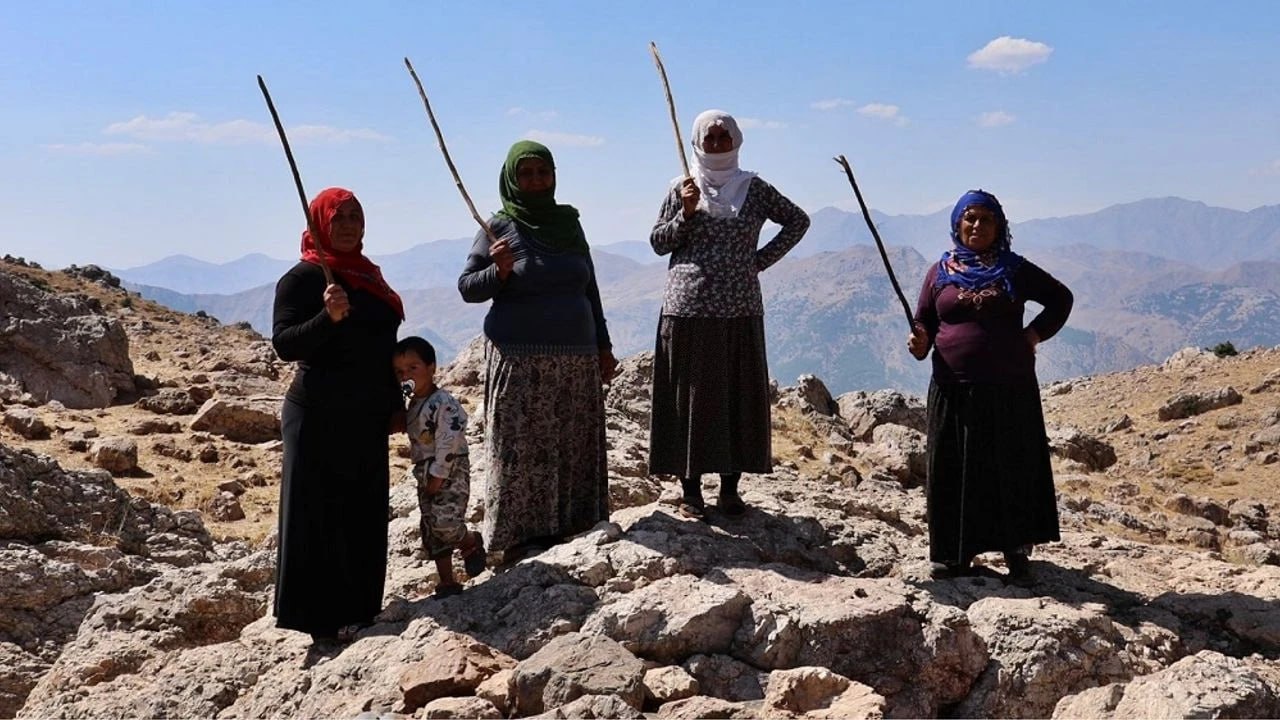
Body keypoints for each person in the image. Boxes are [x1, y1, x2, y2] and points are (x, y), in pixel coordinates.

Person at [458, 140, 616, 564]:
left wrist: (603, 346)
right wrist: (499, 271)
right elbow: (468, 288)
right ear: (511, 179)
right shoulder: (499, 227)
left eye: (542, 172)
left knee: (573, 445)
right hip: (520, 362)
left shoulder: (569, 224)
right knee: (520, 451)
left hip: (577, 361)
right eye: (525, 174)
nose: (535, 181)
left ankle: (575, 524)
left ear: (554, 176)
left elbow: (590, 288)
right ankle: (518, 539)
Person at [647, 109, 810, 519]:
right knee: (691, 399)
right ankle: (690, 491)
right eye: (710, 137)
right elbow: (659, 243)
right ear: (697, 143)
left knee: (734, 395)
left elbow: (797, 221)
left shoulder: (754, 188)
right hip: (688, 308)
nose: (718, 144)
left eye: (724, 136)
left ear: (736, 140)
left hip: (739, 307)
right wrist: (685, 214)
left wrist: (758, 261)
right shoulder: (682, 187)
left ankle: (730, 490)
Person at [907, 189, 1073, 581]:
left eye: (986, 219)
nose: (977, 225)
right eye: (970, 218)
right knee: (955, 470)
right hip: (952, 387)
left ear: (999, 226)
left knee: (1008, 467)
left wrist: (1033, 335)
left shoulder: (1014, 269)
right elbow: (924, 320)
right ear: (957, 224)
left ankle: (1015, 549)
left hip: (1009, 388)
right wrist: (919, 341)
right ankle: (954, 554)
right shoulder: (939, 272)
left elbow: (1060, 298)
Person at [271, 187, 404, 641]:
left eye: (355, 217)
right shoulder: (304, 279)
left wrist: (395, 401)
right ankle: (319, 622)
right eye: (338, 218)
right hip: (318, 415)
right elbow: (285, 344)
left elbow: (381, 347)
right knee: (318, 514)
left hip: (366, 414)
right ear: (318, 224)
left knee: (363, 511)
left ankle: (359, 610)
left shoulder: (367, 275)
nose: (348, 225)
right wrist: (326, 317)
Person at [392, 336, 486, 596]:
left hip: (449, 469)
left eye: (413, 368)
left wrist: (438, 475)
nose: (406, 376)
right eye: (400, 371)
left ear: (432, 367)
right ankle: (447, 581)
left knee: (445, 522)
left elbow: (449, 440)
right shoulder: (413, 403)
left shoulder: (443, 402)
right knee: (431, 528)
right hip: (423, 471)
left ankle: (470, 541)